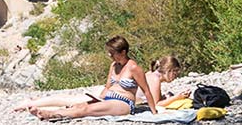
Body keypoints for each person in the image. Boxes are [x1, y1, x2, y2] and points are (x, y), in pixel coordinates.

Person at [24, 36, 155, 120]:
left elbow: (146, 91)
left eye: (113, 53)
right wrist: (98, 98)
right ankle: (50, 112)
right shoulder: (114, 65)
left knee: (86, 110)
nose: (110, 55)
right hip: (108, 98)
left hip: (124, 103)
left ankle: (49, 115)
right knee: (78, 105)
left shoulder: (134, 68)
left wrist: (154, 111)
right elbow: (108, 86)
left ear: (123, 52)